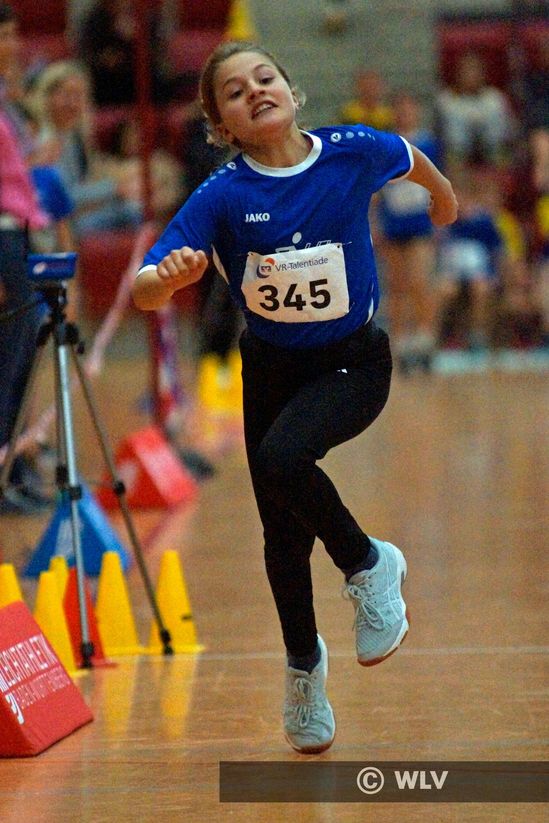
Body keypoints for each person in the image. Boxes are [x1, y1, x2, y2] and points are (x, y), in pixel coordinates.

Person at [131, 41, 458, 754]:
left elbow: (408, 156)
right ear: (223, 126)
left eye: (264, 78)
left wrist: (443, 199)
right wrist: (168, 279)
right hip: (272, 371)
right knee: (281, 535)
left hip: (353, 364)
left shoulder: (350, 150)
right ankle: (304, 670)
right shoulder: (223, 194)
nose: (255, 91)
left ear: (290, 89)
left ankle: (367, 563)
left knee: (282, 460)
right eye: (235, 92)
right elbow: (144, 287)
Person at [0, 2, 52, 514]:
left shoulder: (7, 99)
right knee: (6, 359)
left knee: (21, 358)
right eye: (4, 36)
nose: (12, 46)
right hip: (3, 236)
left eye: (15, 36)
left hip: (21, 233)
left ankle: (15, 466)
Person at [29, 60, 142, 239]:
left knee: (136, 204)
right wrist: (114, 189)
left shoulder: (73, 136)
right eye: (66, 95)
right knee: (132, 211)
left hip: (74, 216)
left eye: (79, 96)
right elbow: (63, 198)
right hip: (53, 226)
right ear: (47, 97)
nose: (73, 103)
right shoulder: (45, 140)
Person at [376, 91, 442, 373]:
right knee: (396, 285)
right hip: (393, 224)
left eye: (409, 108)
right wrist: (375, 223)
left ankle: (425, 338)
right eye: (399, 108)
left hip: (420, 225)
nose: (404, 113)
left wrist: (439, 218)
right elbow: (377, 188)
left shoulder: (428, 143)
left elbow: (440, 182)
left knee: (420, 281)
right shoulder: (386, 145)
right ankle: (400, 342)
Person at [435, 51, 516, 168]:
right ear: (458, 75)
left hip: (492, 147)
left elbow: (510, 127)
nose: (471, 76)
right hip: (458, 150)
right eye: (466, 71)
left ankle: (498, 160)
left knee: (495, 108)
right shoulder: (446, 99)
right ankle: (457, 163)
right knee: (452, 114)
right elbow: (438, 129)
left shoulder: (494, 97)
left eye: (475, 71)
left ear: (482, 74)